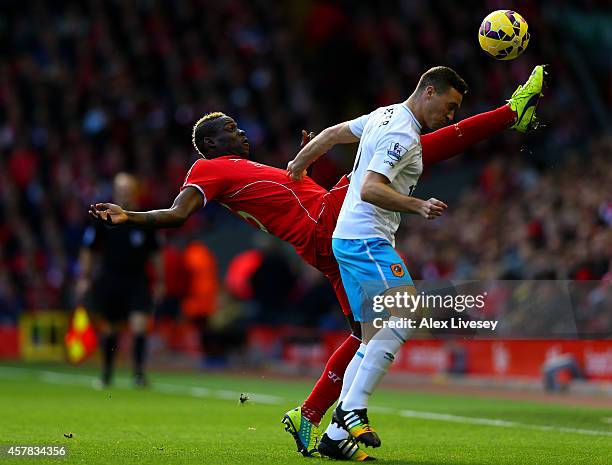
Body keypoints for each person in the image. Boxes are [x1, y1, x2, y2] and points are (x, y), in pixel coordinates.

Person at [88, 66, 544, 460]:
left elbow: (294, 193)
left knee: (363, 334)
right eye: (229, 127)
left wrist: (307, 161)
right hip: (326, 226)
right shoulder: (208, 169)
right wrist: (131, 216)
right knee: (407, 146)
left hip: (328, 233)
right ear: (209, 143)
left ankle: (316, 421)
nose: (240, 131)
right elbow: (178, 214)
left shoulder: (248, 170)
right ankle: (510, 112)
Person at [285, 65, 545, 459]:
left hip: (349, 238)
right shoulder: (401, 132)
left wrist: (299, 163)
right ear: (428, 92)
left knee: (371, 335)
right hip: (364, 238)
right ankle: (352, 409)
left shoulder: (382, 114)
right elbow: (372, 188)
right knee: (405, 315)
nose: (451, 115)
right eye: (450, 105)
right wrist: (417, 205)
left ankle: (337, 437)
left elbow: (333, 134)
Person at [77, 173, 164, 387]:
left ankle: (138, 374)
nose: (124, 192)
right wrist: (85, 277)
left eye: (128, 189)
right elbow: (89, 249)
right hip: (111, 279)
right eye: (120, 188)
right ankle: (106, 373)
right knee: (110, 328)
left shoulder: (144, 219)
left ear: (134, 191)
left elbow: (156, 253)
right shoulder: (103, 218)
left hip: (137, 280)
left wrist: (161, 280)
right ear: (115, 191)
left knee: (140, 325)